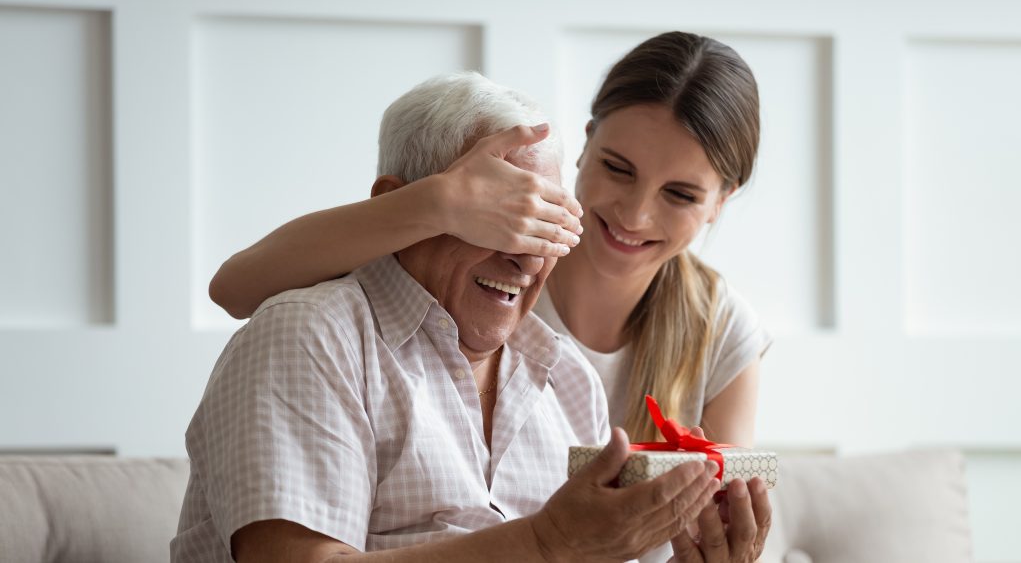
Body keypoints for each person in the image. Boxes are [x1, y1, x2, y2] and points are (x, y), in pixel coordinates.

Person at [210, 32, 773, 562]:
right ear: (587, 146)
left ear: (722, 201)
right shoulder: (324, 331)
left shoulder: (568, 374)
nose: (634, 215)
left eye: (679, 193)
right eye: (503, 220)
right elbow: (236, 288)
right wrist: (547, 543)